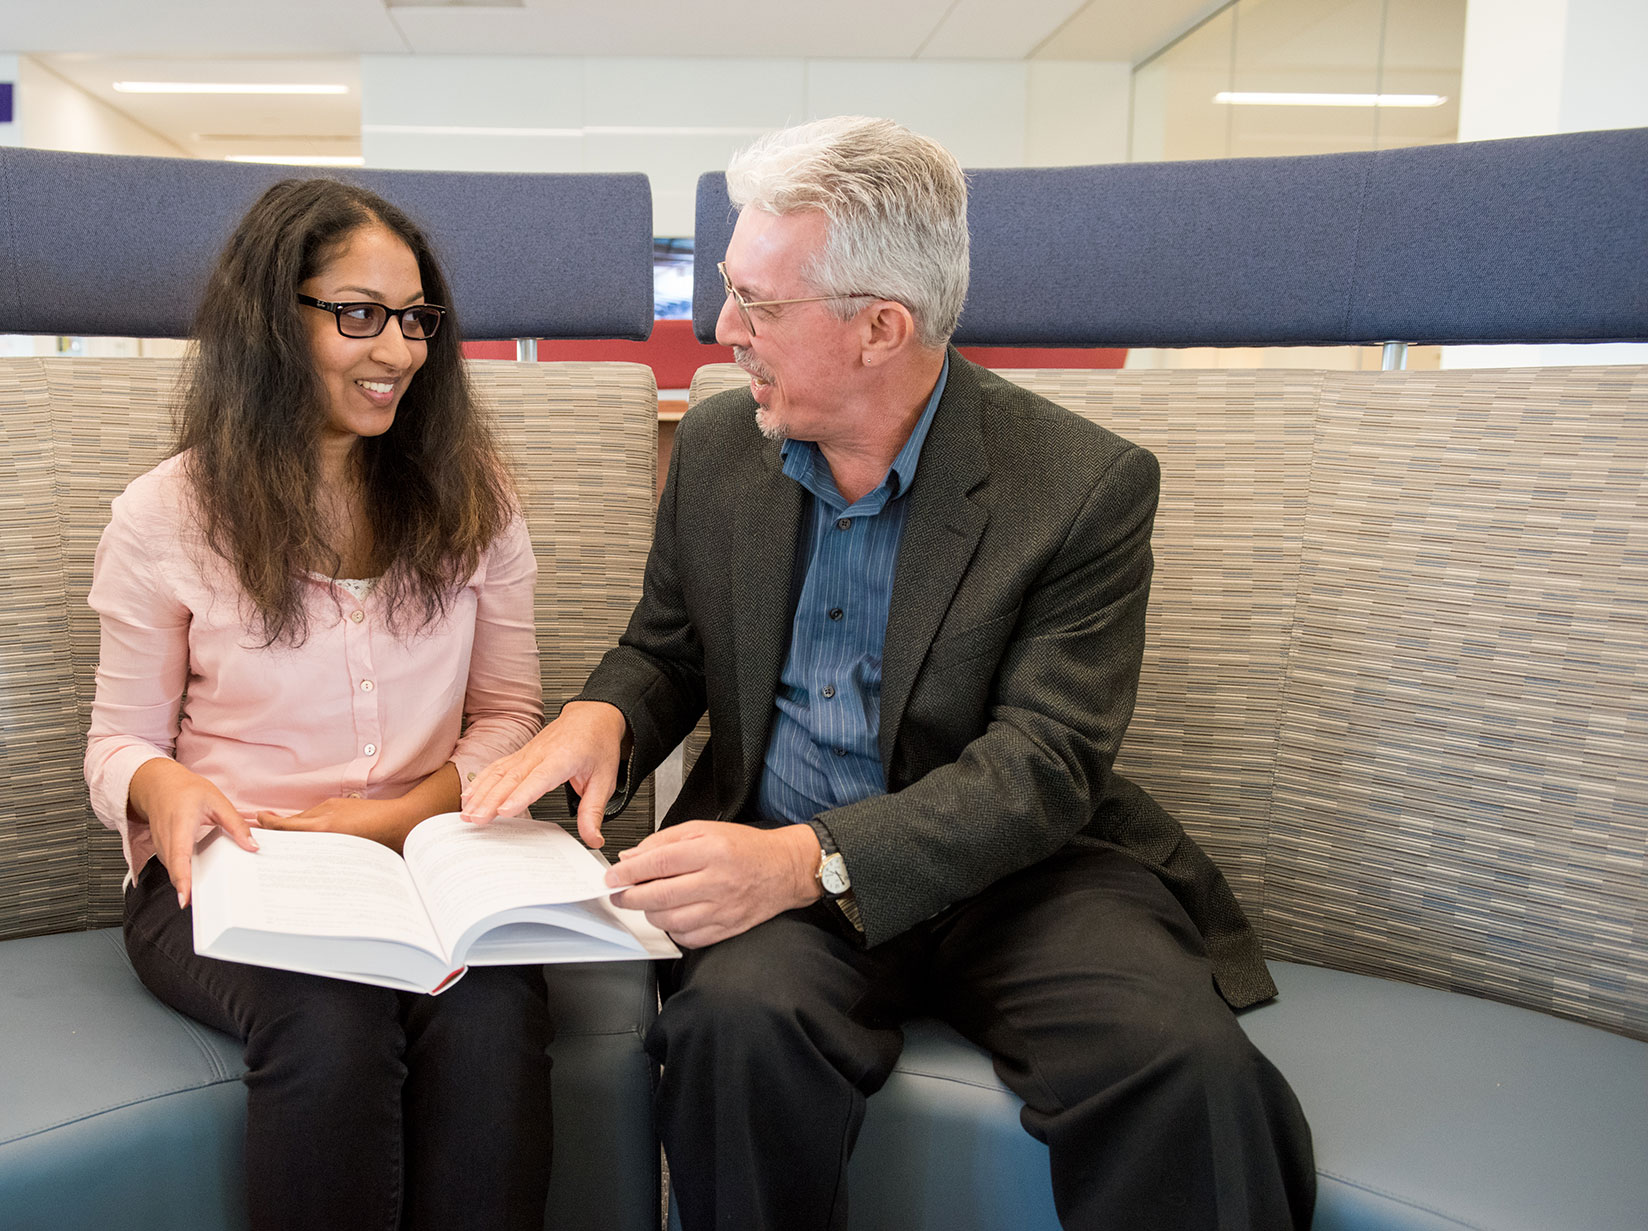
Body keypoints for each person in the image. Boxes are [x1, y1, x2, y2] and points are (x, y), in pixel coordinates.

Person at [463, 117, 1317, 1230]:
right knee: (732, 1032)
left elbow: (1043, 766)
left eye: (757, 305)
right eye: (730, 291)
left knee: (1184, 1072)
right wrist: (602, 711)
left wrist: (808, 859)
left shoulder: (1080, 484)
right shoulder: (721, 451)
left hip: (1022, 874)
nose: (722, 330)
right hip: (777, 859)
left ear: (879, 328)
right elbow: (667, 646)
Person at [84, 178, 552, 1231]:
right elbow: (118, 741)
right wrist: (159, 784)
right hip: (238, 873)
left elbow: (512, 718)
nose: (395, 350)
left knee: (490, 1012)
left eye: (415, 319)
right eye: (357, 315)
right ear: (269, 318)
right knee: (327, 1019)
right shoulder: (165, 515)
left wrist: (390, 819)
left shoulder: (473, 496)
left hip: (428, 863)